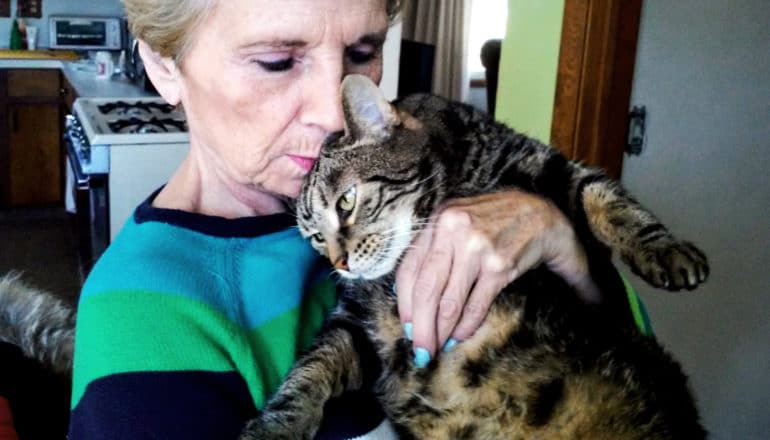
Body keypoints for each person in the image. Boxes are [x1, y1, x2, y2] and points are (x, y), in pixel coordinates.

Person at [68, 1, 635, 438]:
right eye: (277, 61)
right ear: (166, 66)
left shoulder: (411, 172)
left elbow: (629, 371)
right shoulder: (144, 320)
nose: (327, 112)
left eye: (363, 53)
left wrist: (565, 244)